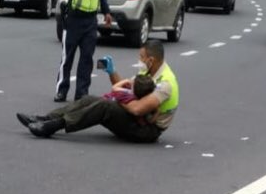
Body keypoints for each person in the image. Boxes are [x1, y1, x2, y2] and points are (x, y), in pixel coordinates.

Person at [16, 40, 179, 143]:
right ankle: (44, 118)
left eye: (142, 57)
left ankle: (53, 126)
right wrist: (112, 72)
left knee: (105, 105)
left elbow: (137, 109)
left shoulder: (165, 83)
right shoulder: (147, 72)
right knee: (89, 99)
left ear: (151, 60)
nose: (140, 61)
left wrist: (116, 97)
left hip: (146, 130)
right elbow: (126, 91)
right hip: (136, 120)